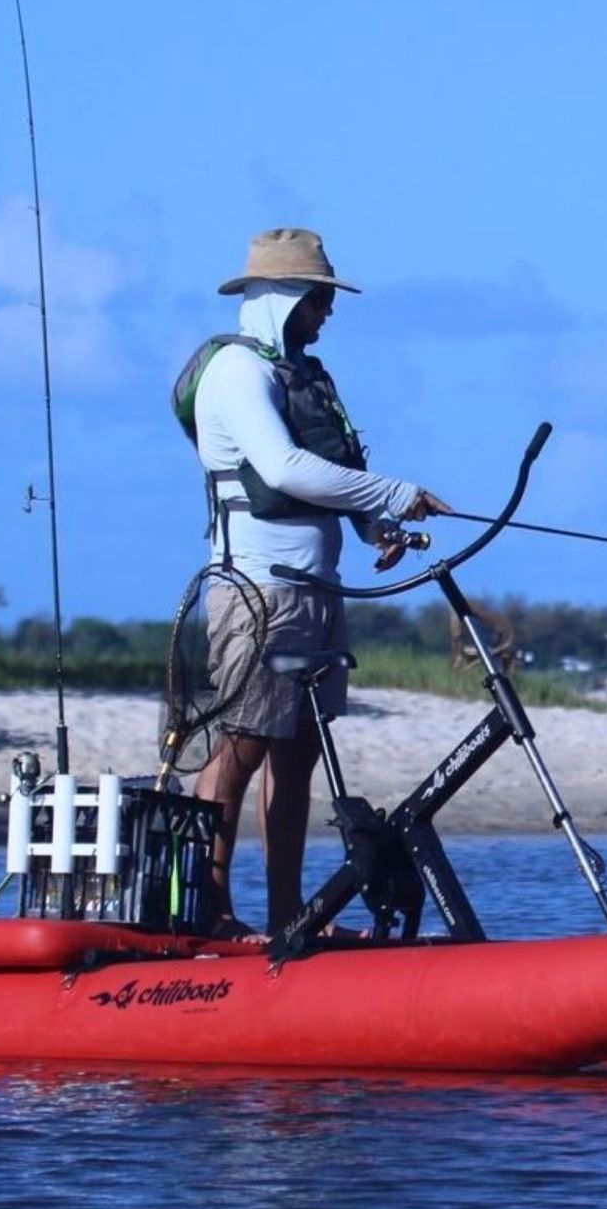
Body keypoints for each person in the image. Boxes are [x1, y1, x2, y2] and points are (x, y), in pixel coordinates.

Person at [190, 227, 452, 940]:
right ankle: (210, 913)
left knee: (298, 754)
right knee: (241, 743)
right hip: (259, 593)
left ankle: (287, 918)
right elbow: (281, 470)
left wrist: (379, 529)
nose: (327, 313)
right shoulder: (237, 372)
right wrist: (395, 492)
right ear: (285, 296)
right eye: (319, 300)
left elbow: (333, 471)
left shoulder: (305, 374)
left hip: (317, 590)